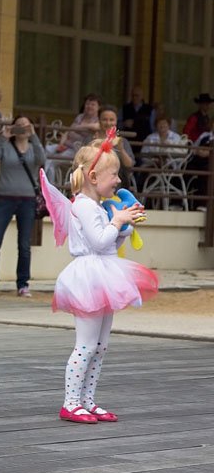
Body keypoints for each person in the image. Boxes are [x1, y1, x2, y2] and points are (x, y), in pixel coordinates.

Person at [42, 135, 158, 424]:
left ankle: (88, 400)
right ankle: (71, 402)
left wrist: (124, 224)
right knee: (86, 344)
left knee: (101, 345)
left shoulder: (98, 206)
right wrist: (117, 222)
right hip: (89, 277)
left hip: (104, 271)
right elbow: (98, 240)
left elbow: (110, 241)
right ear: (93, 177)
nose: (118, 180)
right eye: (114, 175)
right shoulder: (82, 205)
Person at [0, 115, 46, 297]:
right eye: (18, 126)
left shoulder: (34, 147)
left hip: (27, 201)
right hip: (5, 198)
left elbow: (42, 160)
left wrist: (34, 136)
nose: (22, 129)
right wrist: (3, 137)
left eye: (26, 126)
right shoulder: (6, 145)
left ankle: (22, 284)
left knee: (24, 245)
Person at [44, 93, 101, 184]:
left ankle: (49, 187)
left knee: (51, 162)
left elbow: (96, 127)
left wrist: (79, 127)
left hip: (76, 151)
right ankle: (41, 181)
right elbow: (68, 131)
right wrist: (61, 144)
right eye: (87, 104)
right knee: (45, 151)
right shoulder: (80, 117)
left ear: (98, 107)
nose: (89, 106)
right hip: (65, 146)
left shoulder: (98, 120)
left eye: (93, 104)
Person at [90, 105, 135, 190]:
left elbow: (129, 165)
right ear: (99, 121)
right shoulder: (91, 139)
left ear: (116, 121)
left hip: (116, 186)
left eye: (111, 120)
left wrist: (121, 149)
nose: (108, 123)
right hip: (94, 183)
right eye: (104, 119)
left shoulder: (122, 141)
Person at [119, 85, 153, 153]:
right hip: (128, 141)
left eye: (137, 95)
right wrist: (124, 124)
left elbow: (152, 126)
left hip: (144, 140)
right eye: (133, 95)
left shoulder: (149, 109)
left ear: (142, 96)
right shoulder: (125, 108)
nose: (134, 98)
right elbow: (118, 124)